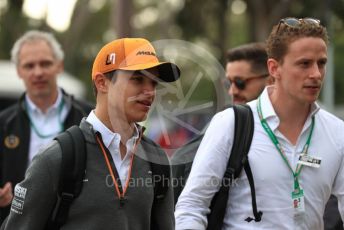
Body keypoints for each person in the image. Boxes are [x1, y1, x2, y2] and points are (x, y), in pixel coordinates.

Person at [175, 17, 344, 229]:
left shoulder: (337, 132)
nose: (316, 74)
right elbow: (192, 205)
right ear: (274, 68)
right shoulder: (231, 123)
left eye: (321, 63)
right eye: (304, 63)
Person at [1, 37, 181, 230]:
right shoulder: (56, 157)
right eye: (137, 79)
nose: (150, 92)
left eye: (154, 83)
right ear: (102, 83)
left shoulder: (156, 159)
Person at [0, 30, 93, 224]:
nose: (38, 72)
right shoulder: (3, 123)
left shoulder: (90, 117)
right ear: (18, 71)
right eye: (29, 65)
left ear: (59, 66)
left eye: (45, 63)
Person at [171, 42, 272, 203]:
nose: (232, 91)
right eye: (228, 83)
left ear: (271, 79)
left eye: (240, 82)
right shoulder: (222, 128)